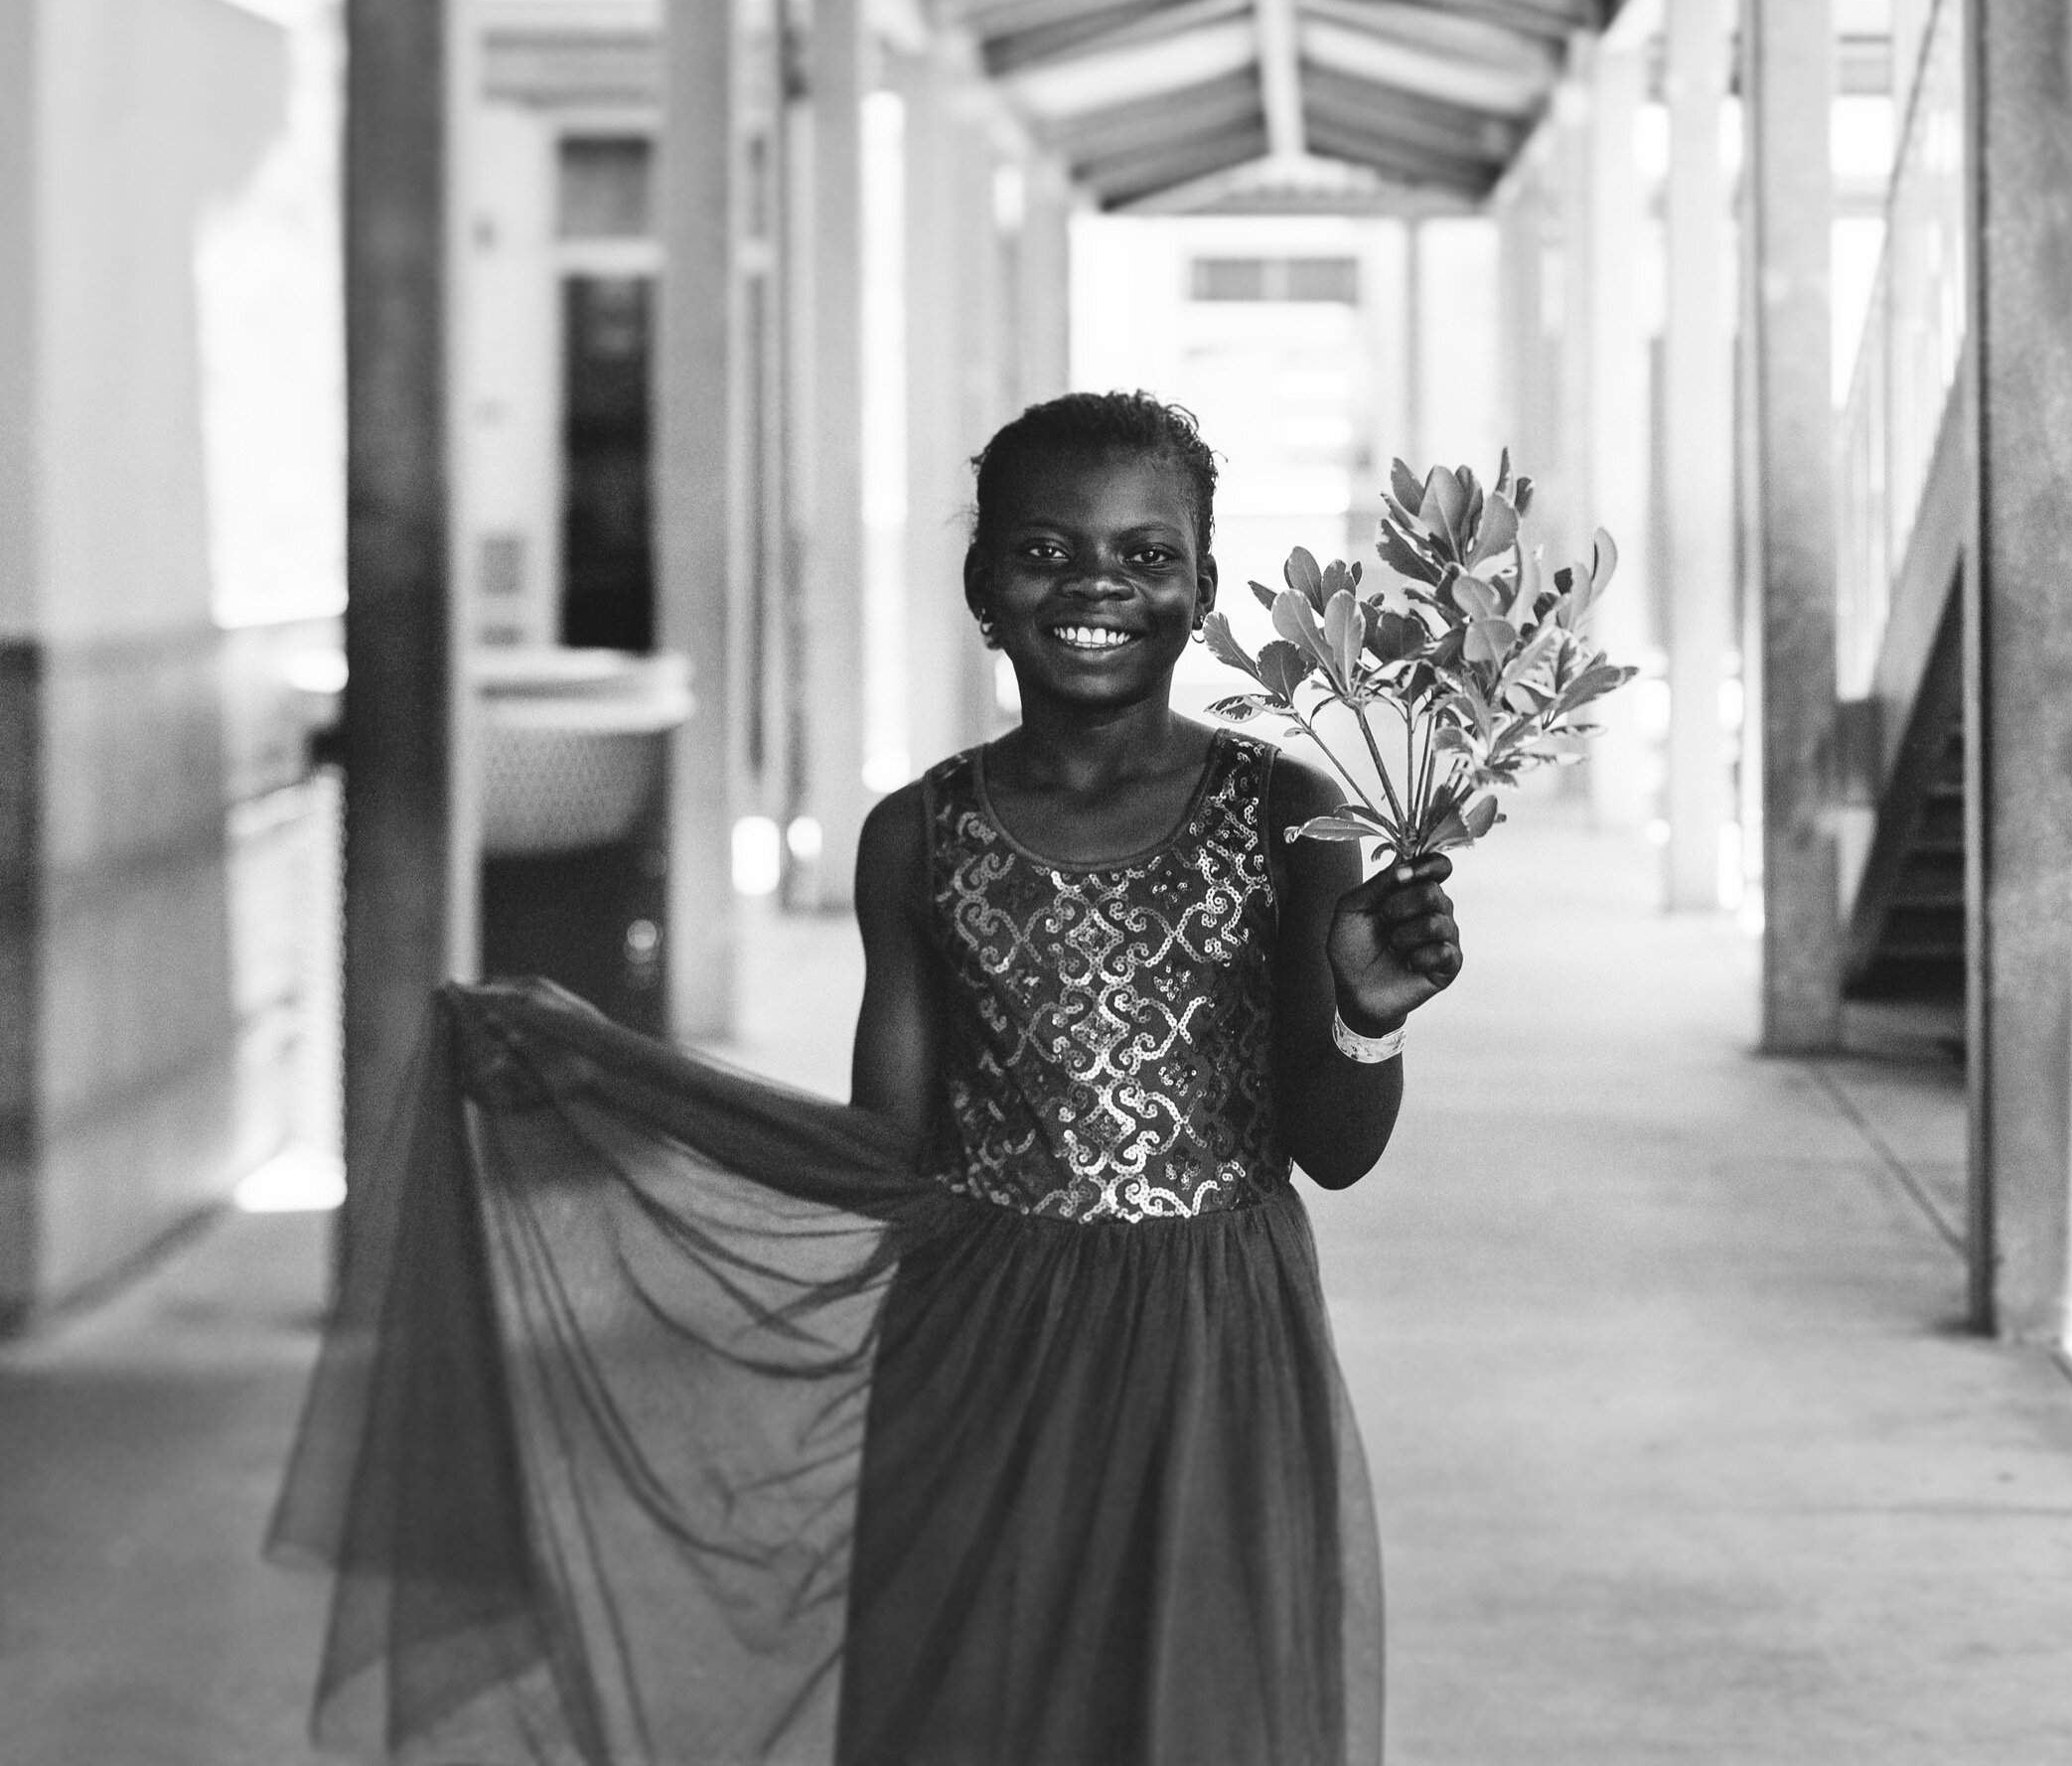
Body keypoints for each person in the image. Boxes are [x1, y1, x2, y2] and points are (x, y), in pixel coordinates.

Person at [269, 390, 1462, 1766]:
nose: (1094, 585)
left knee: (1196, 1709)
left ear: (1200, 591)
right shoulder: (919, 834)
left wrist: (1367, 1012)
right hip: (977, 1340)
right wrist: (620, 1089)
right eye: (1044, 549)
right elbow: (883, 1152)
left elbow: (1335, 1147)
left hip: (1211, 1331)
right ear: (980, 587)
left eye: (1147, 556)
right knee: (976, 1704)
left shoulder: (1289, 813)